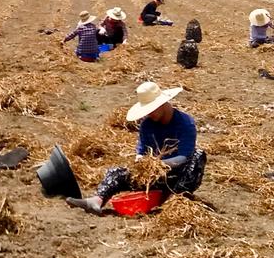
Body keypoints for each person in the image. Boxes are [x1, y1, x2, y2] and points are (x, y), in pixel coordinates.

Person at [67, 82, 206, 215]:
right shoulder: (147, 125)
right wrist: (142, 163)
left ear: (163, 103)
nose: (149, 113)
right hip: (152, 178)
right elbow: (140, 152)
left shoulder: (185, 123)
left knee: (198, 157)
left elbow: (184, 157)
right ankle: (96, 201)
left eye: (152, 108)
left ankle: (172, 201)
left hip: (176, 176)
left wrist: (159, 164)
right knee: (116, 172)